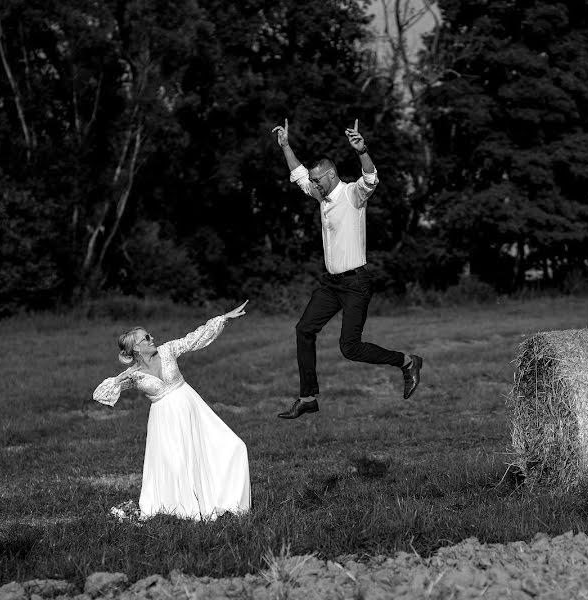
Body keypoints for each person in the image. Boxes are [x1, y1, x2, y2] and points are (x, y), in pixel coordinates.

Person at [271, 117, 423, 419]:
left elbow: (370, 179)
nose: (313, 184)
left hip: (356, 283)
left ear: (330, 175)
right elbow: (299, 175)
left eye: (318, 180)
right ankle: (308, 397)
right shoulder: (321, 195)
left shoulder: (352, 194)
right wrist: (286, 146)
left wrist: (362, 150)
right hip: (331, 284)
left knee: (350, 348)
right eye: (313, 182)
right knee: (304, 329)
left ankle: (407, 361)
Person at [93, 301, 251, 520]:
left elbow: (194, 339)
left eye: (149, 335)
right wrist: (119, 379)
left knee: (233, 446)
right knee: (177, 463)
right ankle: (184, 506)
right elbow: (100, 394)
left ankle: (226, 498)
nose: (152, 338)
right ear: (137, 348)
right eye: (146, 337)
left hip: (191, 407)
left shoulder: (167, 350)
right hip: (164, 419)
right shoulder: (134, 375)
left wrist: (223, 318)